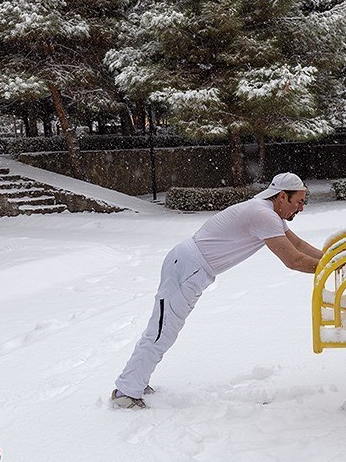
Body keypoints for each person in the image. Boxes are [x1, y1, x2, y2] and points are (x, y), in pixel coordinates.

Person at [111, 172, 323, 409]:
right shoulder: (263, 215)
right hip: (188, 268)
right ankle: (126, 392)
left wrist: (332, 258)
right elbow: (293, 259)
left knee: (164, 329)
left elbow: (299, 245)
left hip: (190, 268)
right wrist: (330, 267)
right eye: (299, 202)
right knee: (162, 331)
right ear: (282, 196)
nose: (301, 209)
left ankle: (135, 382)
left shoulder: (267, 213)